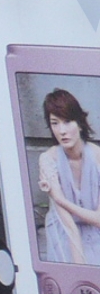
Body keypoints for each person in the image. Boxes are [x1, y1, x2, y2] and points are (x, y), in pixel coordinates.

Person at [39, 88, 100, 264]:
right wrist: (79, 268)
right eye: (55, 123)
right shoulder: (48, 159)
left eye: (67, 121)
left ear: (80, 123)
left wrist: (61, 200)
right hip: (63, 231)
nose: (62, 131)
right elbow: (68, 226)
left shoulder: (97, 156)